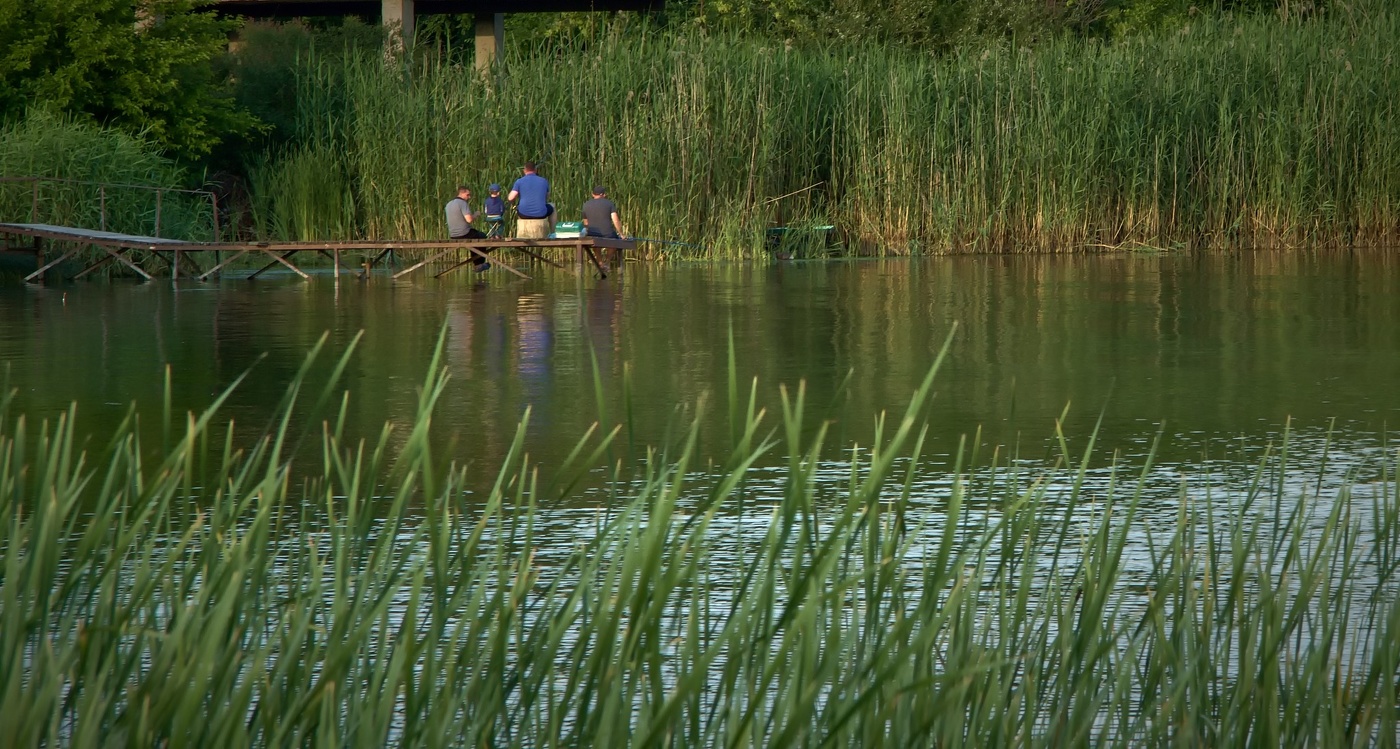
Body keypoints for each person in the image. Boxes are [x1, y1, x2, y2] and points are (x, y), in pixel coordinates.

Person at [445, 185, 491, 272]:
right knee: (482, 236)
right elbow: (469, 219)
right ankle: (479, 264)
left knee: (474, 239)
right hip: (464, 233)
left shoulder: (449, 204)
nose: (469, 197)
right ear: (461, 193)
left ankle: (478, 263)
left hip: (453, 235)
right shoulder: (462, 203)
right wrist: (476, 214)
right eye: (468, 195)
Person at [507, 162, 555, 239]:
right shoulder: (543, 181)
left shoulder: (519, 181)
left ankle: (521, 233)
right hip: (541, 214)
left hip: (523, 214)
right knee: (552, 206)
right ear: (535, 170)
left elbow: (510, 198)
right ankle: (553, 232)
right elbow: (547, 196)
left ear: (524, 170)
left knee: (517, 207)